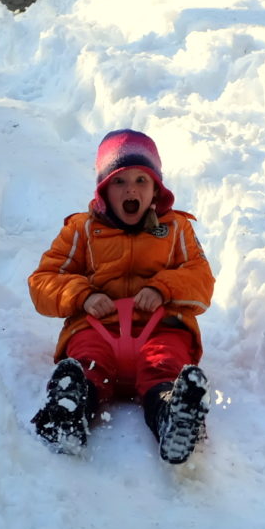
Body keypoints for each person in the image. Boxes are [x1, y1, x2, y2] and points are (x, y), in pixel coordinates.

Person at [27, 129, 214, 463]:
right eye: (119, 181)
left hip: (160, 327)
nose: (131, 189)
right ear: (103, 189)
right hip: (99, 328)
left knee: (165, 363)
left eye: (141, 180)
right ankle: (70, 411)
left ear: (156, 187)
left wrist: (163, 288)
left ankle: (173, 414)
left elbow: (201, 279)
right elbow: (43, 280)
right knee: (87, 363)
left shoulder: (176, 230)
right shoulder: (82, 230)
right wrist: (82, 295)